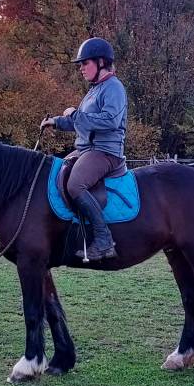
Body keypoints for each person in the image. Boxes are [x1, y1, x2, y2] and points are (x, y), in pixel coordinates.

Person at [40, 37, 127, 260]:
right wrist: (56, 121)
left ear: (100, 62)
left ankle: (104, 240)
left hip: (105, 152)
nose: (81, 69)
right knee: (53, 170)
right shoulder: (94, 91)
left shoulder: (113, 88)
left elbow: (110, 121)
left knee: (76, 184)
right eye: (80, 65)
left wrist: (76, 115)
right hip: (86, 149)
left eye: (84, 63)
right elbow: (81, 121)